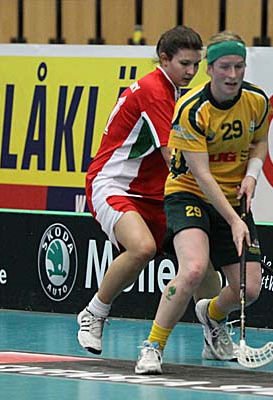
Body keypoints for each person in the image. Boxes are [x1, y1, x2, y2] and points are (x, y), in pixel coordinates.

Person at [78, 25, 223, 356]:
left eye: (196, 64)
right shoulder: (155, 91)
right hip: (115, 185)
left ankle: (215, 333)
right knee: (142, 247)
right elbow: (175, 157)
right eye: (184, 64)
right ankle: (94, 313)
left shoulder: (180, 93)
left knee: (201, 262)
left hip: (158, 193)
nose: (191, 71)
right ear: (164, 59)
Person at [134, 31, 271, 375]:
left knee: (249, 289)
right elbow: (203, 175)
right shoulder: (192, 109)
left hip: (232, 196)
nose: (232, 75)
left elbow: (260, 141)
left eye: (239, 66)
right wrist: (235, 220)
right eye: (224, 67)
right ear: (209, 69)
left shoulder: (257, 100)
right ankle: (153, 346)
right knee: (194, 269)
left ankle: (211, 316)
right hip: (189, 193)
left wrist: (252, 175)